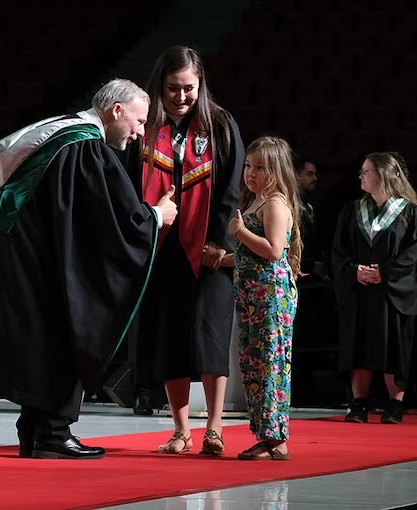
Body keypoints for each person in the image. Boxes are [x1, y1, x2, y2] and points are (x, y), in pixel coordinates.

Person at [0, 78, 176, 459]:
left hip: (16, 253)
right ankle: (53, 433)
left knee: (44, 338)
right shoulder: (85, 146)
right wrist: (155, 216)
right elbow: (112, 220)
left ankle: (37, 430)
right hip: (30, 259)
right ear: (116, 110)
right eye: (139, 121)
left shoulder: (63, 133)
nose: (140, 133)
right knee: (68, 326)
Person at [131, 45, 244, 456]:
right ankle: (181, 431)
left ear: (201, 86)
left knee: (211, 334)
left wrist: (218, 240)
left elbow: (231, 189)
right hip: (161, 248)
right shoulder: (144, 128)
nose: (181, 97)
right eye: (173, 88)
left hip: (209, 249)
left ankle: (214, 428)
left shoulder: (220, 125)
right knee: (169, 336)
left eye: (189, 89)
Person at [331, 152, 417, 425]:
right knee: (359, 345)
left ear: (383, 175)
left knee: (393, 347)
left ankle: (394, 405)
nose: (360, 176)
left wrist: (383, 273)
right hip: (360, 291)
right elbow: (338, 253)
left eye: (366, 171)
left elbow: (413, 257)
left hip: (392, 294)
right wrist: (355, 271)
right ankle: (358, 404)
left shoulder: (410, 213)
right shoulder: (352, 211)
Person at [220, 136, 300, 460]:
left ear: (276, 170)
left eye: (259, 168)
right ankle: (264, 434)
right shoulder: (254, 201)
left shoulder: (275, 202)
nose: (250, 174)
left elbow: (273, 250)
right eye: (248, 167)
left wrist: (239, 233)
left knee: (270, 364)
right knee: (253, 363)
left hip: (270, 297)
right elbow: (250, 254)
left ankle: (275, 438)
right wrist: (224, 257)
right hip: (252, 296)